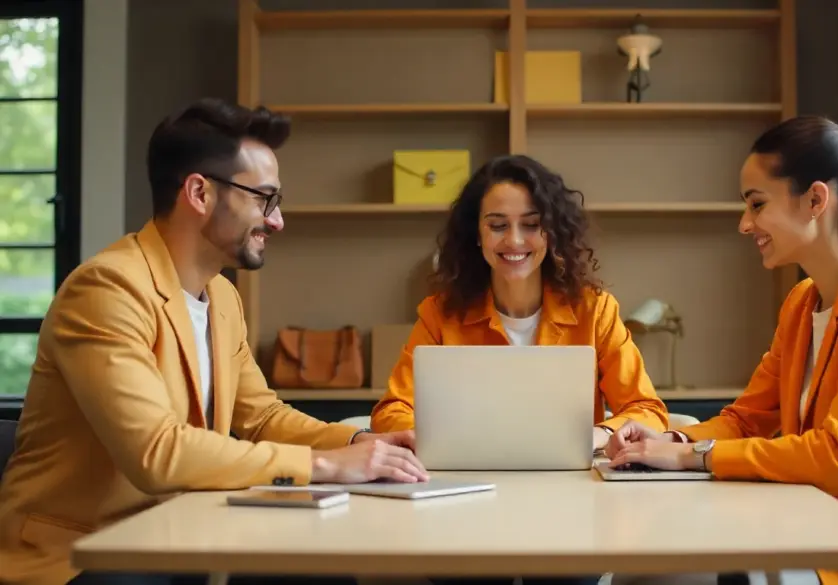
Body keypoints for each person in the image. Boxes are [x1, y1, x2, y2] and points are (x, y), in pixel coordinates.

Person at [0, 98, 428, 585]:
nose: (277, 221)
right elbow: (156, 453)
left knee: (317, 568)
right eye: (264, 198)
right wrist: (326, 464)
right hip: (82, 555)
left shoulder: (220, 295)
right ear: (200, 193)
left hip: (174, 532)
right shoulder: (105, 290)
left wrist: (362, 442)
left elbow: (261, 416)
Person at [604, 116, 838, 585]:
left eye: (757, 205)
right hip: (822, 538)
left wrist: (694, 457)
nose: (745, 224)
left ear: (816, 200)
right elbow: (747, 418)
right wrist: (667, 442)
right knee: (654, 572)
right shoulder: (803, 303)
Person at [370, 154, 670, 456]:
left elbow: (647, 411)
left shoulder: (595, 311)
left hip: (570, 485)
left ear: (551, 233)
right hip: (469, 478)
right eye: (498, 225)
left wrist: (601, 434)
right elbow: (392, 410)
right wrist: (433, 439)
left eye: (531, 225)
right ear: (477, 234)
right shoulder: (440, 314)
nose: (514, 241)